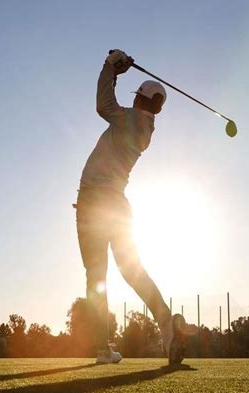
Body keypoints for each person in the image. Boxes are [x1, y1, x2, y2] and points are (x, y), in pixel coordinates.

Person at [75, 49, 185, 365]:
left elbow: (103, 105)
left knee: (96, 275)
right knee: (131, 270)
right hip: (113, 204)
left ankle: (101, 348)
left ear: (140, 101)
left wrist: (110, 67)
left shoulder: (131, 119)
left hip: (95, 204)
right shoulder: (145, 125)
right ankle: (166, 325)